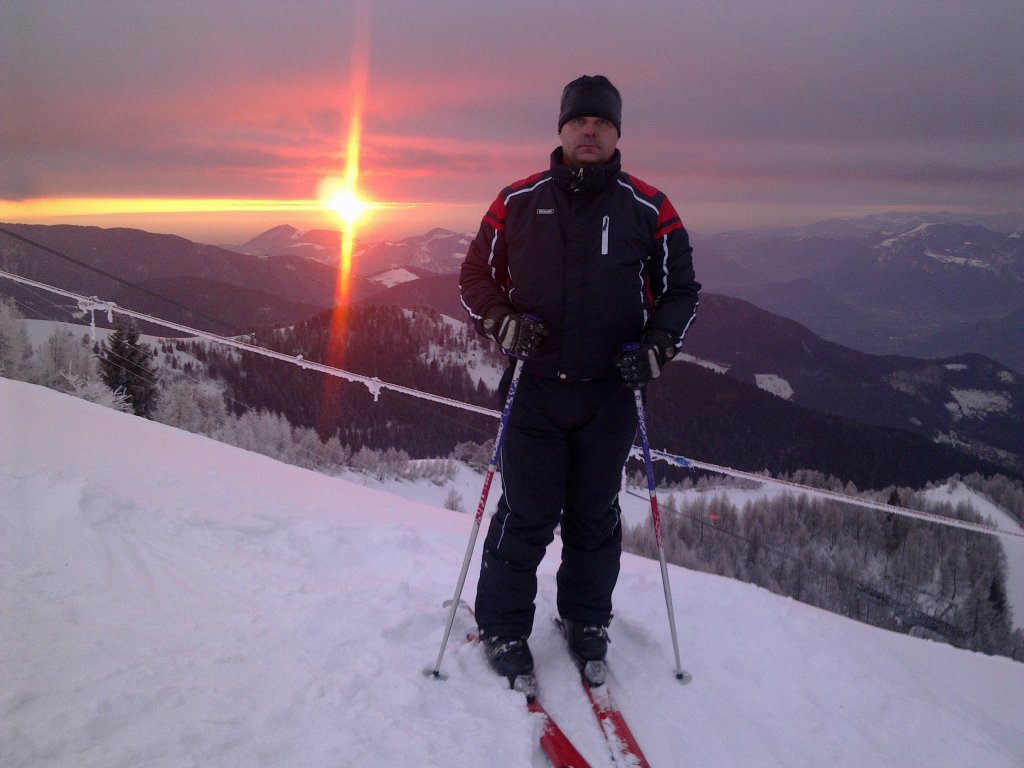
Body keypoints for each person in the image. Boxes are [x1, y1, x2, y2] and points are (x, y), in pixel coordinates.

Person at [459, 74, 700, 684]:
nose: (589, 130)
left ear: (617, 132)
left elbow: (681, 291)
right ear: (561, 129)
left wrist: (658, 347)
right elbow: (474, 278)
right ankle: (504, 627)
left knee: (594, 516)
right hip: (534, 389)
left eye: (602, 121)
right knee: (527, 512)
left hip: (610, 393)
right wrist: (501, 321)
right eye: (578, 121)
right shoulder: (516, 199)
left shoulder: (650, 206)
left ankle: (586, 620)